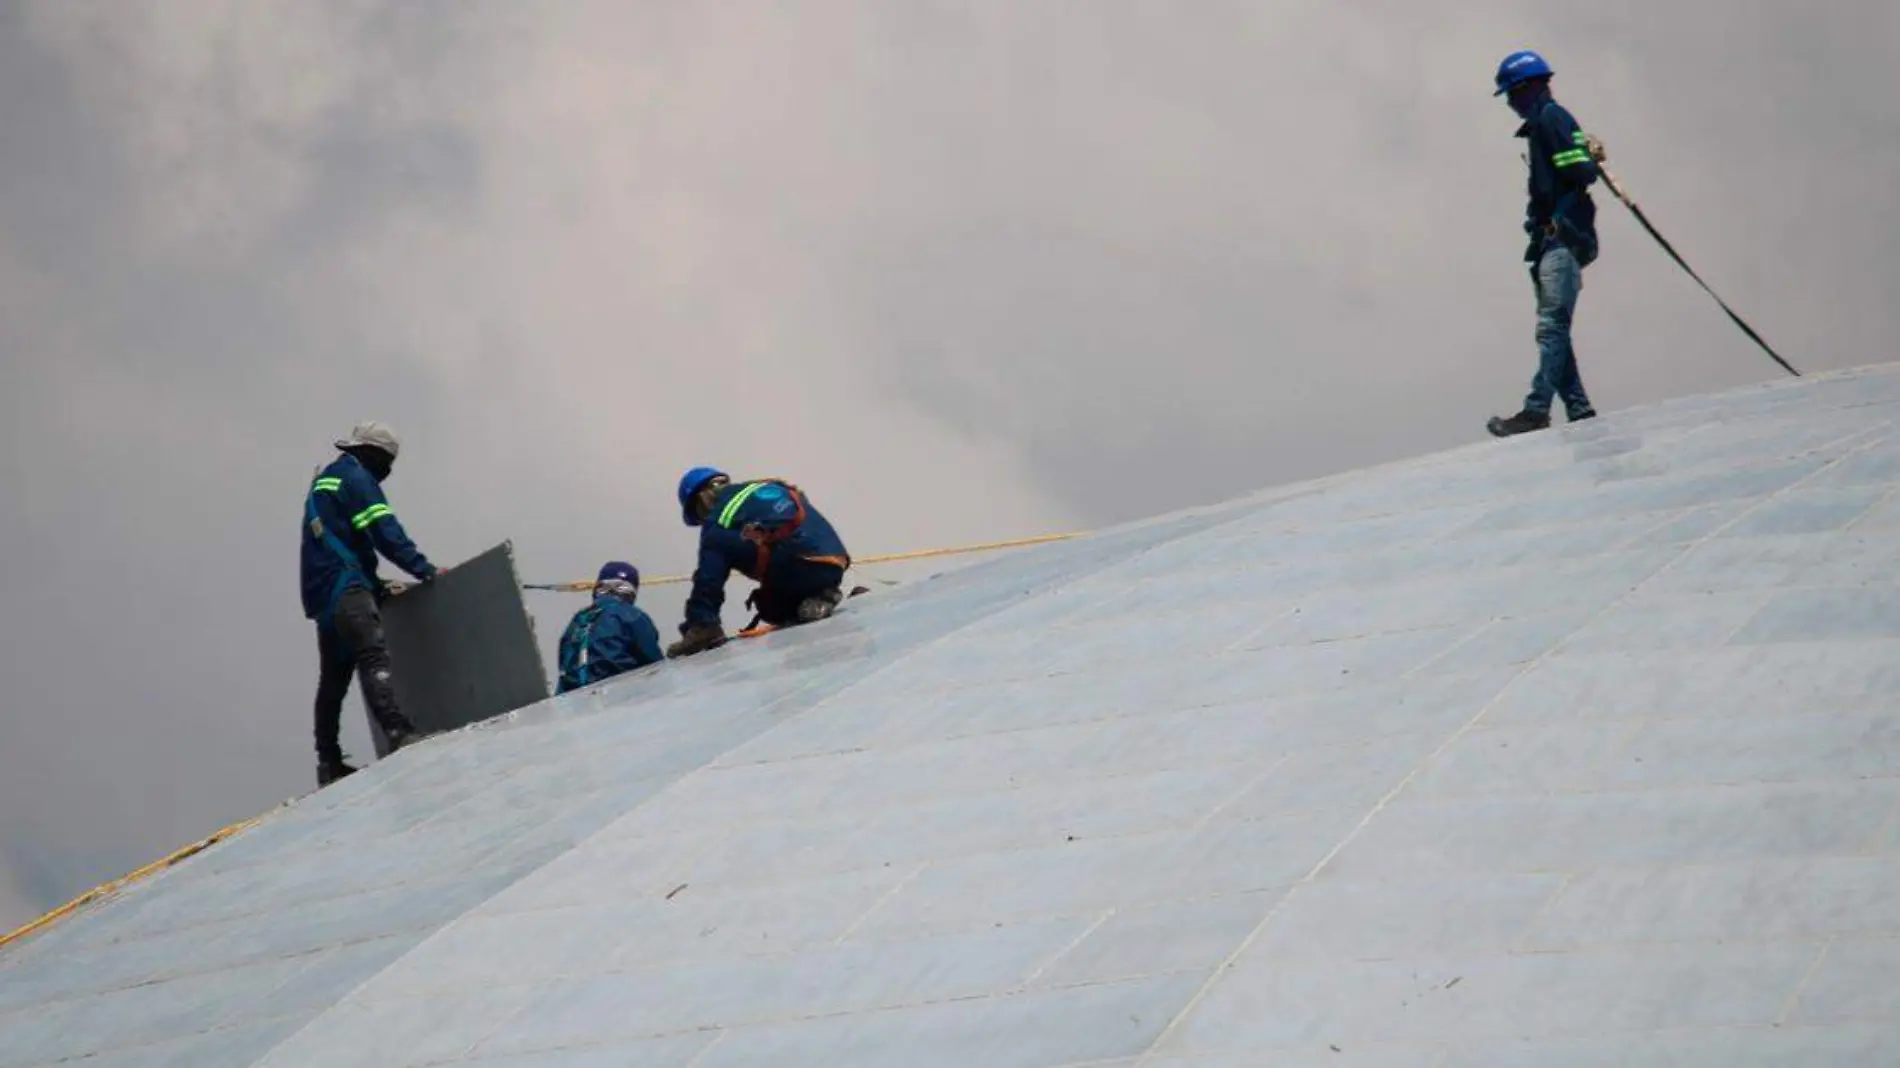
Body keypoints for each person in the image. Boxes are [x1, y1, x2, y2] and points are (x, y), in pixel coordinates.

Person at [300, 421, 438, 786]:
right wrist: (425, 570)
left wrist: (376, 584)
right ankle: (398, 731)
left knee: (333, 680)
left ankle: (328, 762)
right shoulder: (357, 480)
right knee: (372, 655)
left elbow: (341, 541)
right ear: (374, 455)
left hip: (325, 596)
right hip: (347, 589)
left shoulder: (326, 481)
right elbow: (385, 533)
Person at [1487, 49, 1602, 438]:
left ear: (1529, 87)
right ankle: (1579, 410)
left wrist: (1585, 154)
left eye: (1513, 94)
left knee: (1551, 326)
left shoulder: (1552, 119)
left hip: (1562, 241)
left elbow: (1581, 172)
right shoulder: (1544, 125)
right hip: (1549, 242)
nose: (1511, 104)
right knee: (1557, 328)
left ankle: (1536, 410)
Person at [667, 467, 851, 658]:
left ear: (701, 499)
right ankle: (823, 592)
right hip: (835, 561)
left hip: (803, 568)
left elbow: (708, 579)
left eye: (698, 514)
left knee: (769, 606)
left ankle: (705, 625)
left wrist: (699, 622)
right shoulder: (765, 486)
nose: (703, 520)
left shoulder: (719, 521)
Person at [556, 561, 664, 693]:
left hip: (573, 697)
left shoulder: (578, 620)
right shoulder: (632, 616)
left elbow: (563, 661)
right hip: (617, 693)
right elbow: (655, 663)